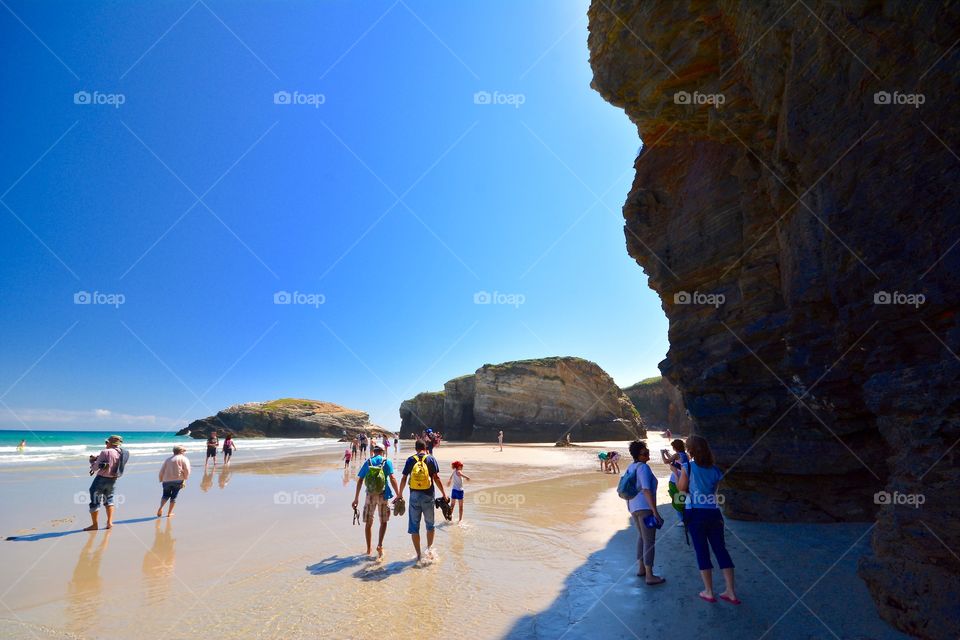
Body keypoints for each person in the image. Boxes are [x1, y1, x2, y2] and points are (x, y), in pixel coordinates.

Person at [676, 435, 739, 604]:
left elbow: (681, 488)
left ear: (690, 450)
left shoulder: (687, 467)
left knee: (702, 551)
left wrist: (678, 478)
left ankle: (709, 591)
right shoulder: (716, 470)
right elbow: (713, 491)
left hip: (696, 514)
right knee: (721, 549)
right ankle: (731, 592)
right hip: (714, 513)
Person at [397, 439, 447, 562]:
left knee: (414, 527)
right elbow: (436, 478)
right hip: (428, 496)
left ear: (416, 448)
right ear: (426, 448)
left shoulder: (410, 460)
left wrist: (399, 494)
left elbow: (404, 478)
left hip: (414, 496)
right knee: (430, 525)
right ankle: (429, 550)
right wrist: (444, 494)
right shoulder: (431, 459)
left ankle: (418, 555)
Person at [626, 440, 665, 585]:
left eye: (648, 452)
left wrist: (630, 507)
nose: (647, 455)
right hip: (644, 508)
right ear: (638, 455)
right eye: (645, 453)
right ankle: (649, 575)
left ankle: (641, 568)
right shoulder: (643, 468)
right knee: (649, 540)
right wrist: (655, 512)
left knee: (642, 538)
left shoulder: (631, 467)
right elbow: (646, 489)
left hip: (633, 507)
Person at [351, 444, 399, 560]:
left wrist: (356, 498)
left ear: (373, 451)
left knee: (369, 522)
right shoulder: (386, 462)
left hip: (370, 495)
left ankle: (368, 549)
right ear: (382, 451)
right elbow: (392, 478)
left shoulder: (368, 462)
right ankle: (379, 545)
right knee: (383, 521)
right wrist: (398, 494)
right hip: (383, 495)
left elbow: (360, 480)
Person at [84, 435, 127, 531]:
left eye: (106, 442)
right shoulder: (122, 453)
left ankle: (94, 525)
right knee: (109, 500)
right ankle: (109, 522)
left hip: (101, 479)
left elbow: (94, 468)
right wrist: (99, 459)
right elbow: (111, 462)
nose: (105, 444)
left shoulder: (105, 452)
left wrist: (91, 462)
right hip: (113, 479)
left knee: (95, 502)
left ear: (109, 443)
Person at [156, 445, 191, 518]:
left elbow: (162, 471)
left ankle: (161, 508)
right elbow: (187, 470)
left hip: (166, 480)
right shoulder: (184, 459)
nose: (184, 453)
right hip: (178, 480)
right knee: (174, 497)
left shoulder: (168, 459)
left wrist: (161, 479)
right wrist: (185, 478)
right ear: (181, 451)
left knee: (165, 495)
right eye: (184, 451)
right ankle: (169, 513)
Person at [661, 439, 690, 517]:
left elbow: (666, 461)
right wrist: (667, 454)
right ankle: (685, 517)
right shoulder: (686, 455)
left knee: (677, 500)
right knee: (683, 499)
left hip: (676, 479)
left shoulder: (677, 455)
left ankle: (682, 519)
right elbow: (674, 460)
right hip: (684, 479)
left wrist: (662, 453)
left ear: (674, 447)